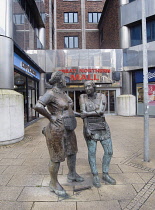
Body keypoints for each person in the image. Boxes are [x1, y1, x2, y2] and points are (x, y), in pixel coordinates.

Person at [34, 71, 84, 197]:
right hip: (57, 130)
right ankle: (53, 182)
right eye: (64, 78)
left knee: (72, 151)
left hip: (69, 128)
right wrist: (51, 117)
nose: (66, 80)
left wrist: (79, 115)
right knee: (56, 157)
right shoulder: (51, 93)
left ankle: (72, 174)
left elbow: (69, 110)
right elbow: (38, 106)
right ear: (58, 80)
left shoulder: (63, 93)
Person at [79, 81, 116, 188]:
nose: (87, 88)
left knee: (109, 151)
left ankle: (105, 174)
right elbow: (83, 114)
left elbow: (101, 111)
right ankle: (95, 175)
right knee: (92, 152)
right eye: (85, 86)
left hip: (102, 126)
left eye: (89, 86)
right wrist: (86, 128)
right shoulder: (82, 97)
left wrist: (87, 113)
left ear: (94, 87)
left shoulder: (102, 96)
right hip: (89, 127)